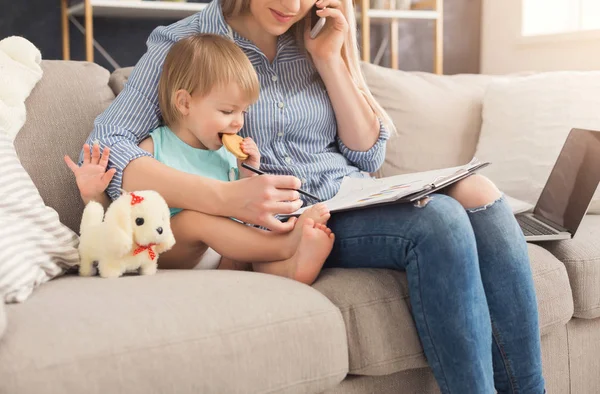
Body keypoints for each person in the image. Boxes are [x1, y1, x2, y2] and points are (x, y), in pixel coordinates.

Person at [78, 0, 546, 391]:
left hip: (353, 190)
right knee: (440, 220)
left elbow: (366, 153)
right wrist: (225, 198)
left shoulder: (314, 35)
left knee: (482, 194)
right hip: (299, 214)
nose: (293, 5)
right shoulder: (187, 42)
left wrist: (329, 59)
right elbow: (109, 146)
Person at [66, 33, 335, 285]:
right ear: (184, 103)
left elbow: (242, 206)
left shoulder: (226, 152)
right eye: (228, 110)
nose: (238, 122)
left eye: (243, 112)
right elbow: (123, 214)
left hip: (223, 255)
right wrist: (95, 195)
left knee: (247, 241)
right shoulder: (153, 147)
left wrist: (247, 171)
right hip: (169, 251)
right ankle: (285, 245)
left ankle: (288, 270)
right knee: (195, 218)